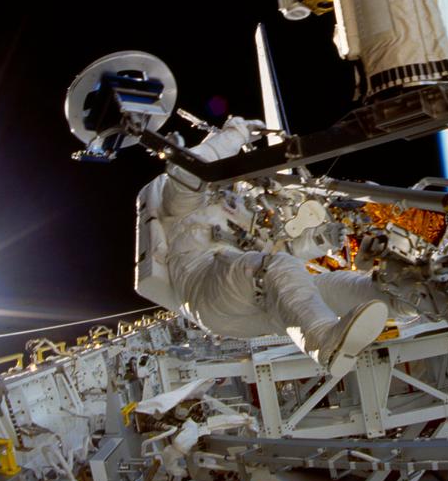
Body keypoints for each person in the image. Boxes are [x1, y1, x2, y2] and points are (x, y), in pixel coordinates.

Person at [137, 116, 390, 378]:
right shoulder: (180, 204)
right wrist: (236, 133)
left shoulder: (241, 212)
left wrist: (319, 241)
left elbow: (280, 256)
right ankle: (324, 342)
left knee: (334, 287)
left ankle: (407, 296)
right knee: (272, 271)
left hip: (247, 301)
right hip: (206, 289)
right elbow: (190, 173)